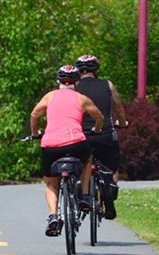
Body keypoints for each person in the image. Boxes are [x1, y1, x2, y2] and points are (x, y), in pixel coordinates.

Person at [30, 65, 105, 237]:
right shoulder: (81, 99)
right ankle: (85, 196)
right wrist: (97, 130)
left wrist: (35, 133)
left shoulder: (49, 97)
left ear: (58, 81)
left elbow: (34, 114)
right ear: (77, 82)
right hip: (76, 143)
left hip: (51, 146)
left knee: (51, 182)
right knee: (88, 159)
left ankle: (53, 216)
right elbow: (99, 117)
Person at [74, 55, 129, 219]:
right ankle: (109, 192)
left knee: (79, 160)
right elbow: (119, 108)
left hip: (81, 134)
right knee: (112, 163)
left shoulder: (74, 88)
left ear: (78, 71)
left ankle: (77, 188)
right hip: (104, 133)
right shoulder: (108, 85)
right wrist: (123, 123)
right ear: (96, 70)